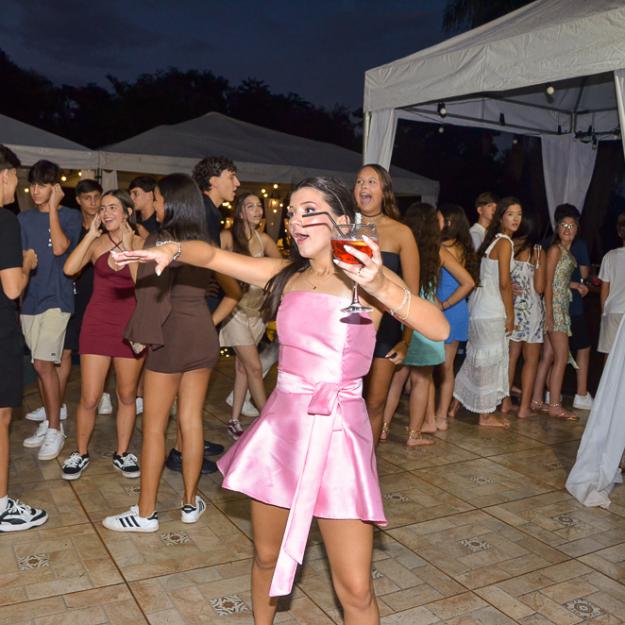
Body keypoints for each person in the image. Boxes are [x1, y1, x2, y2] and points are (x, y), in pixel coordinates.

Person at [110, 176, 449, 625]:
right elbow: (211, 256)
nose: (295, 221)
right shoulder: (285, 275)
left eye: (308, 211)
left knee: (355, 587)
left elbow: (439, 328)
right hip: (283, 432)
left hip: (339, 434)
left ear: (342, 220)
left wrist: (381, 285)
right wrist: (170, 250)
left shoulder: (365, 276)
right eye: (291, 213)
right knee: (266, 557)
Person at [102, 174, 239, 532]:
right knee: (191, 421)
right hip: (202, 337)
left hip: (170, 339)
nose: (156, 204)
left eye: (159, 199)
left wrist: (129, 262)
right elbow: (234, 291)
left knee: (154, 427)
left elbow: (147, 294)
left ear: (173, 202)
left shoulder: (160, 240)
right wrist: (209, 321)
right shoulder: (204, 242)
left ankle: (145, 513)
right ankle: (190, 503)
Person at [61, 190, 145, 480]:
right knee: (89, 396)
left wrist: (129, 250)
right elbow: (69, 269)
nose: (106, 212)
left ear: (127, 212)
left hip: (130, 327)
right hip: (97, 323)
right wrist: (89, 235)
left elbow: (142, 284)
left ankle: (122, 453)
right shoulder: (96, 244)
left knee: (127, 395)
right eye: (103, 208)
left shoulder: (140, 242)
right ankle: (80, 452)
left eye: (112, 207)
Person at [381, 203, 473, 445]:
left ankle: (383, 429)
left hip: (402, 314)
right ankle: (414, 435)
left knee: (396, 379)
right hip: (425, 318)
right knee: (421, 380)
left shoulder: (403, 246)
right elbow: (468, 281)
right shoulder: (437, 252)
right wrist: (443, 304)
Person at [24, 179, 106, 422]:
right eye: (88, 198)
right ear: (79, 200)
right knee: (63, 352)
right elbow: (66, 261)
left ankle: (100, 394)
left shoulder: (106, 225)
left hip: (100, 294)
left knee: (97, 347)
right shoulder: (74, 223)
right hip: (72, 293)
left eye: (97, 197)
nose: (93, 202)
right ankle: (56, 405)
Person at [19, 160, 81, 460]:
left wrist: (54, 208)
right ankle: (49, 421)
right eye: (32, 184)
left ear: (55, 187)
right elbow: (21, 259)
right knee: (39, 366)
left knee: (44, 364)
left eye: (42, 185)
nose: (35, 191)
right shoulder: (23, 218)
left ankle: (56, 428)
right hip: (29, 300)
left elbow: (59, 248)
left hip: (58, 299)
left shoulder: (70, 216)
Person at [354, 164, 420, 445]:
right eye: (359, 181)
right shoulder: (344, 227)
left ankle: (366, 463)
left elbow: (412, 295)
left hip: (387, 330)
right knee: (346, 402)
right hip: (350, 324)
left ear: (384, 191)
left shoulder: (401, 233)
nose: (363, 186)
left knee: (375, 403)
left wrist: (406, 341)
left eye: (371, 181)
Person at [0, 145, 48, 531]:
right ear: (4, 175)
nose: (16, 185)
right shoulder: (4, 221)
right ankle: (1, 506)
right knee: (1, 418)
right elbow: (13, 288)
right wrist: (27, 264)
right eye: (15, 177)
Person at [453, 197, 521, 428]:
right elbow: (504, 283)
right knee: (489, 363)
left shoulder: (491, 242)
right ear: (501, 217)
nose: (516, 219)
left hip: (478, 308)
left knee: (474, 360)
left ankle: (454, 406)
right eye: (510, 214)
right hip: (492, 310)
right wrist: (510, 315)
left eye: (519, 214)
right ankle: (485, 415)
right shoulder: (505, 243)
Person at [220, 192, 281, 439]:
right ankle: (267, 420)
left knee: (243, 368)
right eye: (251, 206)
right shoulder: (227, 237)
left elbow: (283, 268)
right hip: (235, 311)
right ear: (240, 212)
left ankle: (234, 420)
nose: (257, 210)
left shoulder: (263, 239)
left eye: (259, 206)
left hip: (258, 313)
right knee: (254, 368)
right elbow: (211, 263)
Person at [531, 209, 583, 420]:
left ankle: (537, 400)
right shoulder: (554, 250)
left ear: (577, 229)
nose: (568, 229)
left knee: (549, 356)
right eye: (564, 225)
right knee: (561, 357)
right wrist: (550, 314)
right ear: (557, 228)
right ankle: (554, 405)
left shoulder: (567, 252)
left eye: (572, 226)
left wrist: (575, 285)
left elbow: (560, 281)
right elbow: (548, 283)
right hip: (555, 308)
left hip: (560, 306)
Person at [434, 204, 478, 431]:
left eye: (440, 219)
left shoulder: (444, 247)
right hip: (456, 308)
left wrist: (444, 304)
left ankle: (436, 416)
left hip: (445, 307)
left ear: (450, 222)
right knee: (447, 367)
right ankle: (440, 416)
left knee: (437, 367)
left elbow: (467, 283)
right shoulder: (464, 247)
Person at [500, 213, 545, 419]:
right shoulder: (537, 251)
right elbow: (540, 287)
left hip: (512, 309)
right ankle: (524, 407)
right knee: (531, 360)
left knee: (511, 357)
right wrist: (539, 265)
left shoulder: (508, 246)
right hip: (531, 310)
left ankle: (505, 402)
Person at [598, 213, 625, 357]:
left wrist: (604, 312)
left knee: (610, 356)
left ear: (620, 233)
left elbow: (605, 289)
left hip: (613, 310)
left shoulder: (609, 256)